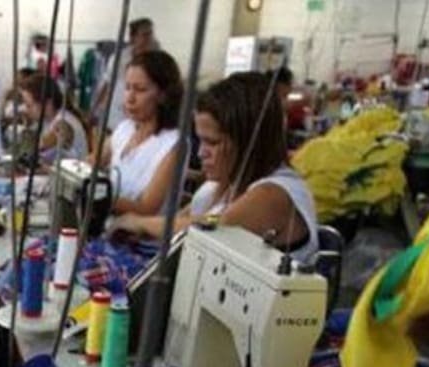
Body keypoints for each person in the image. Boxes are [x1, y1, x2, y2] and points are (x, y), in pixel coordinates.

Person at [109, 71, 319, 262]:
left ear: (249, 142)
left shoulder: (274, 193)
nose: (201, 153)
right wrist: (139, 229)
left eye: (213, 142)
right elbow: (178, 222)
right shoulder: (217, 188)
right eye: (201, 141)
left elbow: (212, 226)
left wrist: (139, 223)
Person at [93, 51, 183, 216]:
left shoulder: (174, 143)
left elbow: (147, 208)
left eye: (140, 90)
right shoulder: (124, 129)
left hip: (141, 232)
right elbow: (92, 162)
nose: (130, 98)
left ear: (163, 95)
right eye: (127, 88)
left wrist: (95, 196)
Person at [92, 17, 159, 131]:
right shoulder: (119, 58)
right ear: (133, 38)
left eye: (151, 34)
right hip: (118, 116)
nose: (150, 38)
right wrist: (94, 110)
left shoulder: (158, 61)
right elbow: (106, 85)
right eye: (145, 35)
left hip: (144, 118)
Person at [18, 72, 90, 162]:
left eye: (29, 105)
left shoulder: (63, 121)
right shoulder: (46, 119)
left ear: (47, 103)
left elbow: (41, 144)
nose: (26, 109)